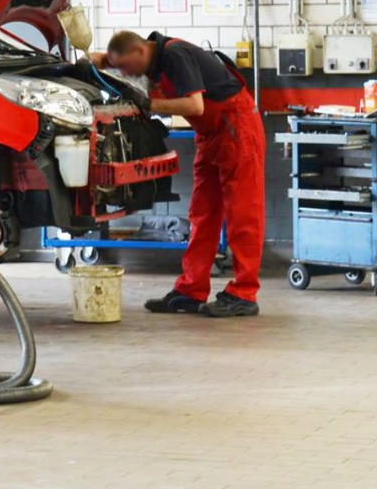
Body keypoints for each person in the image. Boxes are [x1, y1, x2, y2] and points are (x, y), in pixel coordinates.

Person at [95, 30, 265, 318]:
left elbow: (195, 105)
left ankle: (244, 294)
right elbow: (108, 58)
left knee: (243, 213)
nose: (127, 73)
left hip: (236, 127)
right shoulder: (151, 58)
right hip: (211, 133)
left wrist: (149, 104)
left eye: (126, 67)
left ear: (139, 52)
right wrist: (98, 61)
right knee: (202, 213)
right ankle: (190, 289)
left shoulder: (174, 54)